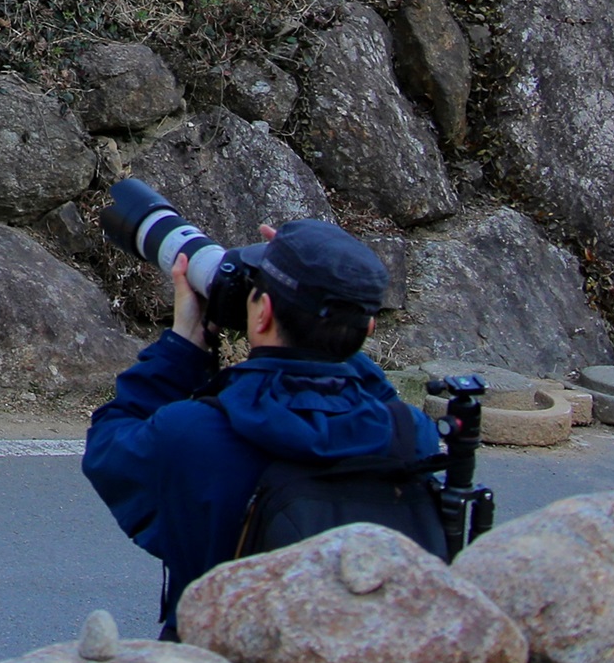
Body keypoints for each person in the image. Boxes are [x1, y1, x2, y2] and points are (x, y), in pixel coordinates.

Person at [82, 217, 439, 635]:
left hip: (220, 659)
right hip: (368, 657)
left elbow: (109, 442)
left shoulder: (193, 435)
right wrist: (330, 291)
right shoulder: (410, 436)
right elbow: (370, 388)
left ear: (263, 313)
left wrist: (184, 343)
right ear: (369, 329)